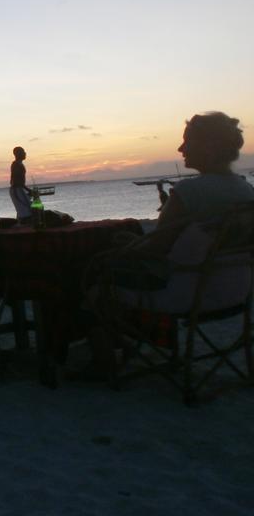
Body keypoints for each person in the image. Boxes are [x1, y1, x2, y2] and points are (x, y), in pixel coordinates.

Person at [79, 112, 254, 378]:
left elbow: (155, 250)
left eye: (187, 141)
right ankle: (134, 344)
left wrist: (125, 248)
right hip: (236, 289)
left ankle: (106, 360)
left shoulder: (189, 192)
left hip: (187, 293)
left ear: (209, 146)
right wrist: (138, 242)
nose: (180, 148)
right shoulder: (244, 190)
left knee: (96, 277)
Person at [9, 146, 31, 222]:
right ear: (17, 154)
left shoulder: (19, 164)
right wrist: (28, 190)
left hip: (19, 189)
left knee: (24, 210)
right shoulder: (16, 165)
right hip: (17, 189)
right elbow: (17, 181)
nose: (25, 153)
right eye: (23, 151)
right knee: (26, 212)